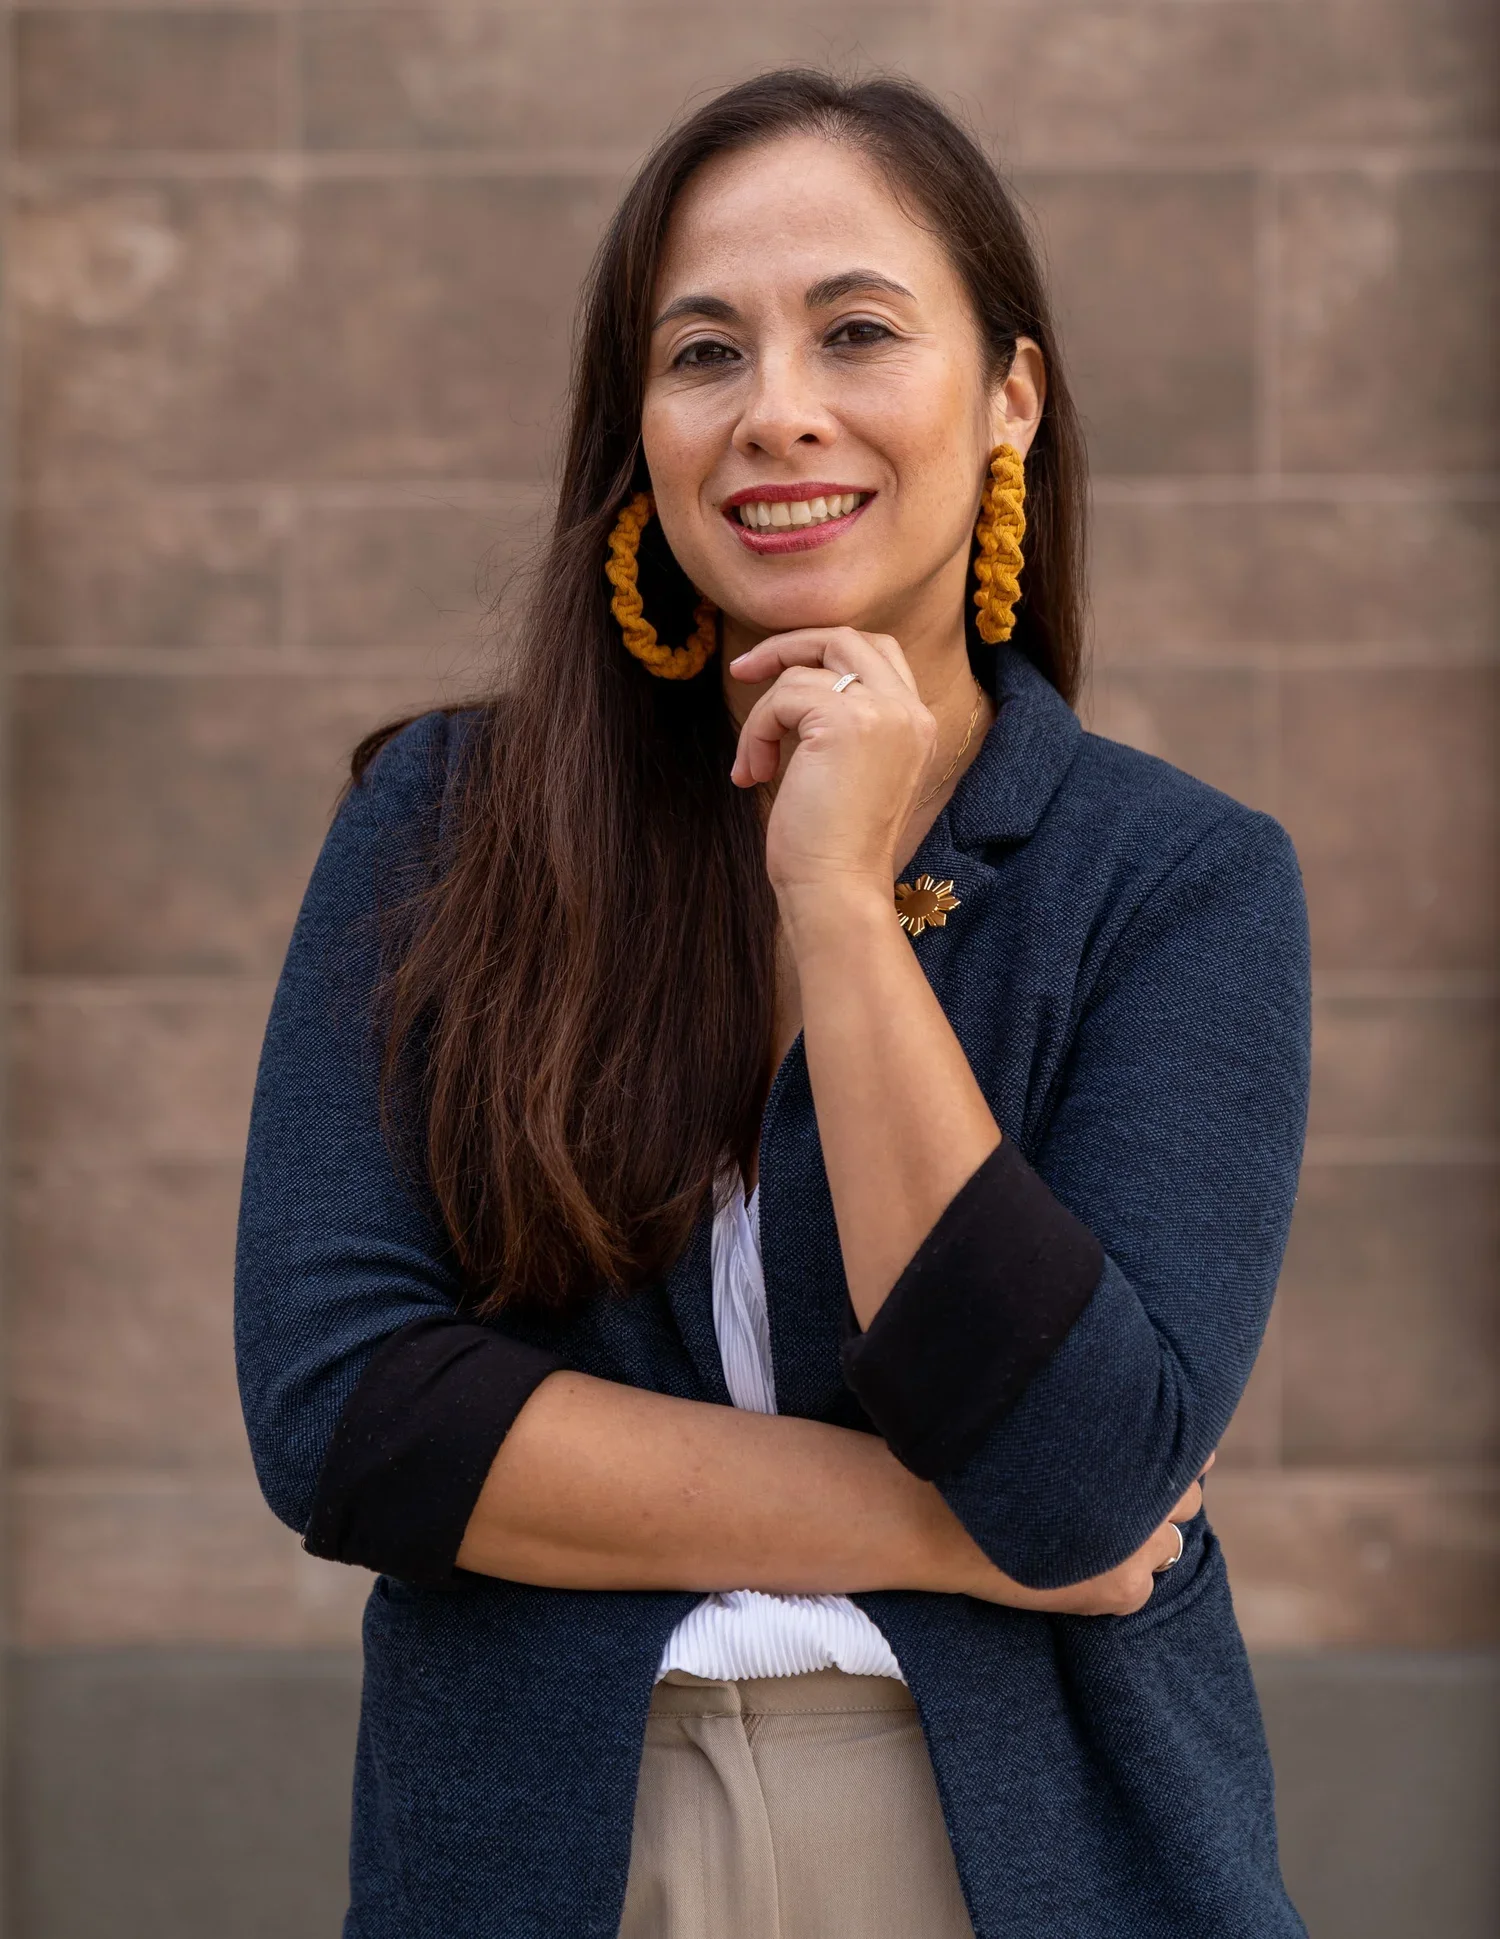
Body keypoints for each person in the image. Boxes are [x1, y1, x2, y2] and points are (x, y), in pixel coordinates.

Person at [235, 68, 1310, 1939]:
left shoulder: (1181, 881)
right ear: (637, 428)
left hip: (1032, 1856)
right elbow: (347, 1414)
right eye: (703, 351)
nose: (777, 410)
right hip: (554, 1849)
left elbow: (1074, 1449)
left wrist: (836, 898)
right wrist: (945, 1527)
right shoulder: (444, 825)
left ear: (1010, 402)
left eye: (860, 330)